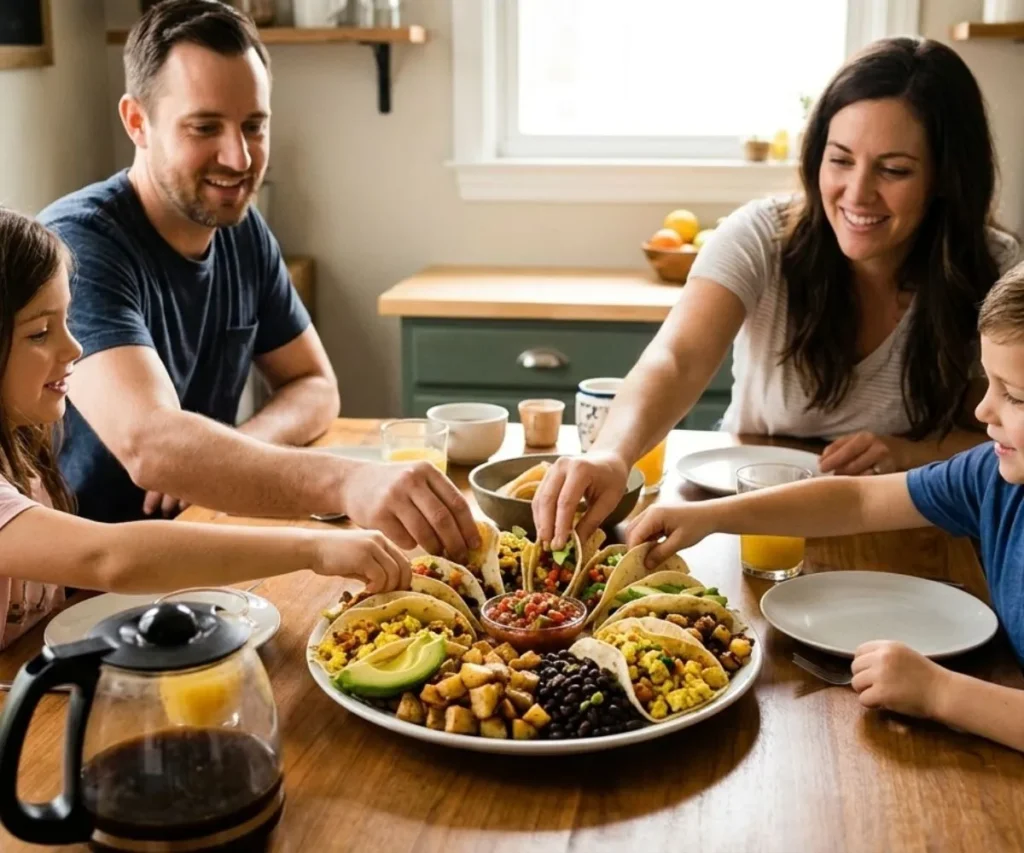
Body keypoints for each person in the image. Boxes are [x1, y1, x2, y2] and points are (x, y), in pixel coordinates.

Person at [533, 37, 1021, 552]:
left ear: (946, 177)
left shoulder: (993, 266)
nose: (856, 193)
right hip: (743, 517)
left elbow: (996, 436)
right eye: (840, 160)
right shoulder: (759, 236)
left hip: (912, 532)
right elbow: (676, 358)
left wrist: (910, 453)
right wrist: (612, 453)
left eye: (894, 170)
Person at [38, 0, 478, 561]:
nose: (239, 156)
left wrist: (223, 454)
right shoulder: (78, 246)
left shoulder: (240, 231)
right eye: (205, 127)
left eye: (254, 126)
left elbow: (316, 387)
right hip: (85, 583)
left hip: (205, 542)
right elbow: (151, 446)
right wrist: (347, 482)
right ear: (136, 122)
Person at [624, 259, 1024, 753]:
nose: (984, 409)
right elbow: (857, 500)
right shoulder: (991, 476)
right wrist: (711, 517)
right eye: (988, 383)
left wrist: (941, 692)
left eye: (1015, 396)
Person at [0, 207, 411, 650]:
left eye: (67, 321)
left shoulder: (22, 449)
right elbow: (108, 557)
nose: (75, 347)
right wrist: (314, 549)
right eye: (41, 332)